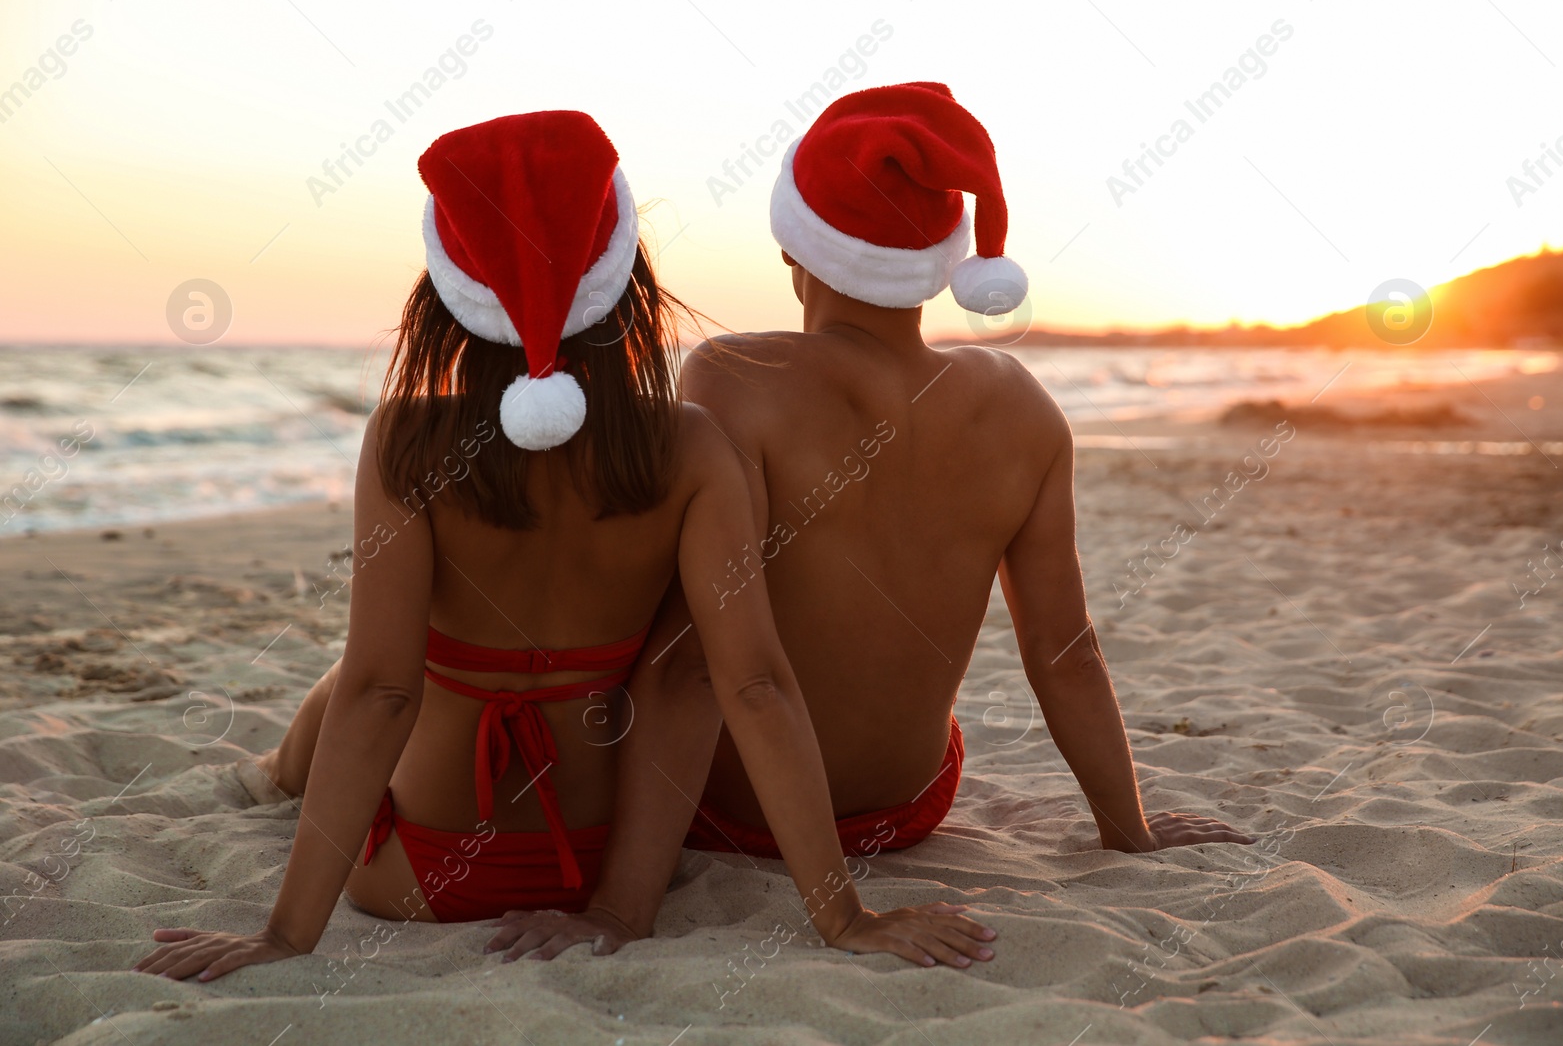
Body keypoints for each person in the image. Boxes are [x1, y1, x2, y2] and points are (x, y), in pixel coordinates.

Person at [133, 110, 994, 983]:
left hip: (422, 876)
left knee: (356, 676)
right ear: (626, 283)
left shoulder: (406, 441)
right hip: (595, 857)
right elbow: (745, 681)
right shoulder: (690, 449)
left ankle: (277, 774)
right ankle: (279, 773)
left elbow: (381, 694)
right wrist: (839, 913)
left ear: (446, 294)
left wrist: (283, 938)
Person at [486, 82, 1254, 962]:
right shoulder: (1023, 406)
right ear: (944, 261)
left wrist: (623, 912)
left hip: (734, 813)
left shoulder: (737, 378)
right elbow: (1064, 648)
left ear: (795, 252)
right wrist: (1131, 830)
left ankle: (288, 772)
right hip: (911, 805)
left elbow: (696, 666)